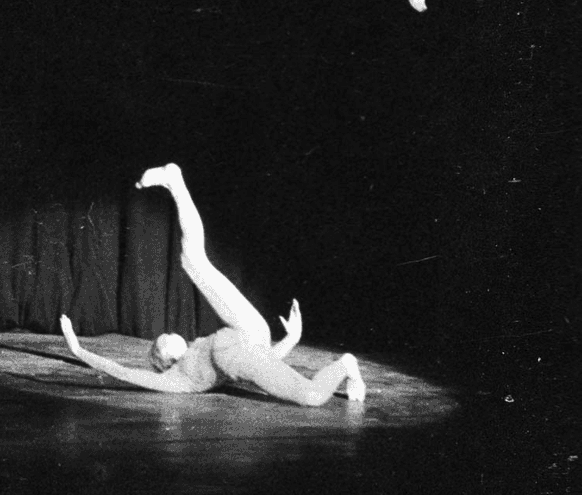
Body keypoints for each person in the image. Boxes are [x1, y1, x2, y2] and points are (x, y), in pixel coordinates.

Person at [59, 163, 365, 406]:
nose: (164, 336)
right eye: (160, 344)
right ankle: (347, 366)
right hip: (251, 344)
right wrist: (78, 350)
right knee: (311, 398)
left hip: (246, 334)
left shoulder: (199, 349)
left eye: (162, 336)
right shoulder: (177, 380)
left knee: (192, 260)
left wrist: (289, 341)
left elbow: (253, 360)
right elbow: (125, 372)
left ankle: (174, 181)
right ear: (162, 364)